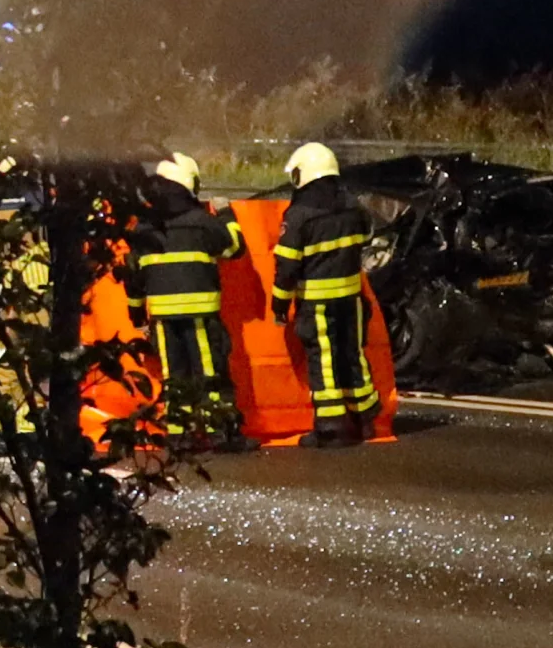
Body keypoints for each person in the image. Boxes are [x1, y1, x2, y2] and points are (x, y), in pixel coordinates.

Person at [126, 152, 246, 449]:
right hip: (201, 317)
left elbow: (133, 279)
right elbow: (234, 248)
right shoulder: (203, 223)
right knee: (209, 375)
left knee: (174, 377)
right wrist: (227, 214)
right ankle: (221, 436)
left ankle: (179, 437)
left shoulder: (143, 228)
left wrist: (138, 318)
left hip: (163, 320)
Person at [272, 141, 383, 442]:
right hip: (350, 299)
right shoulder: (353, 206)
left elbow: (287, 265)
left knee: (324, 361)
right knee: (353, 355)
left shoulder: (299, 216)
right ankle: (365, 420)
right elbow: (367, 236)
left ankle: (331, 428)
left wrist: (279, 305)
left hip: (317, 302)